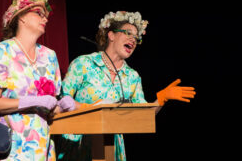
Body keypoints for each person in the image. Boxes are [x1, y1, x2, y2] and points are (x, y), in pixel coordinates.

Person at [56, 11, 196, 161]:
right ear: (111, 35)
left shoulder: (132, 77)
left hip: (111, 147)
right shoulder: (84, 63)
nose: (133, 40)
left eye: (136, 37)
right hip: (77, 144)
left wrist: (161, 99)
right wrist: (88, 108)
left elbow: (142, 115)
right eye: (128, 33)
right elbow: (62, 99)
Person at [0, 0, 73, 160]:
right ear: (20, 17)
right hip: (10, 148)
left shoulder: (49, 56)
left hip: (42, 147)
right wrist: (33, 101)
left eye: (46, 16)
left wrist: (62, 105)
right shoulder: (1, 51)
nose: (45, 19)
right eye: (39, 13)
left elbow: (50, 108)